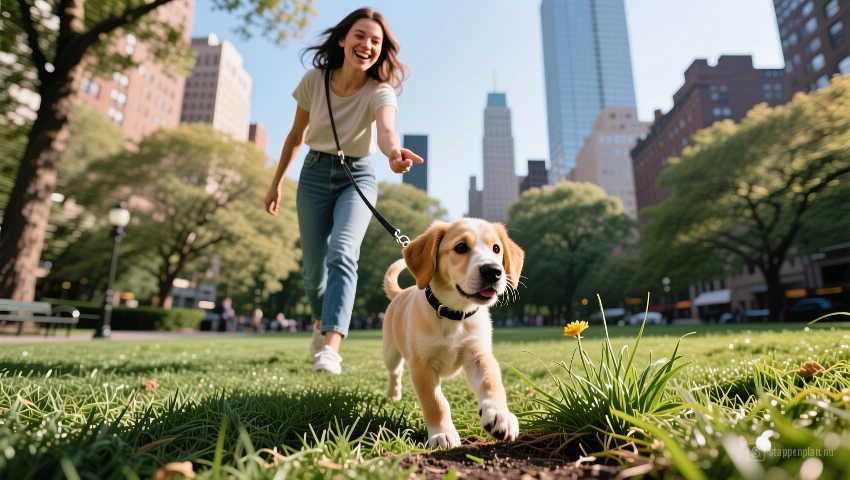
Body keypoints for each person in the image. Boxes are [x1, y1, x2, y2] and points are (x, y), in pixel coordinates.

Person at [264, 8, 422, 374]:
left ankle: (331, 347)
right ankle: (321, 325)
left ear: (381, 51)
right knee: (313, 272)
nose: (367, 45)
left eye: (375, 41)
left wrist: (393, 154)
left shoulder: (379, 91)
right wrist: (275, 184)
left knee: (343, 251)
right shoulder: (314, 80)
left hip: (358, 176)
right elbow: (294, 137)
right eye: (360, 36)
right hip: (314, 174)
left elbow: (385, 131)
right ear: (342, 39)